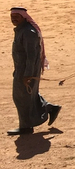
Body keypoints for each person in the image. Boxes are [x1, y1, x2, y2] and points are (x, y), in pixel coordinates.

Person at [9, 7, 60, 136]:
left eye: (17, 16)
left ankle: (26, 127)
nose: (14, 19)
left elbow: (32, 56)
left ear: (24, 17)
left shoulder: (28, 32)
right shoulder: (21, 30)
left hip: (27, 70)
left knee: (21, 97)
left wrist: (28, 74)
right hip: (21, 69)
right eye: (12, 16)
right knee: (28, 96)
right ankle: (50, 108)